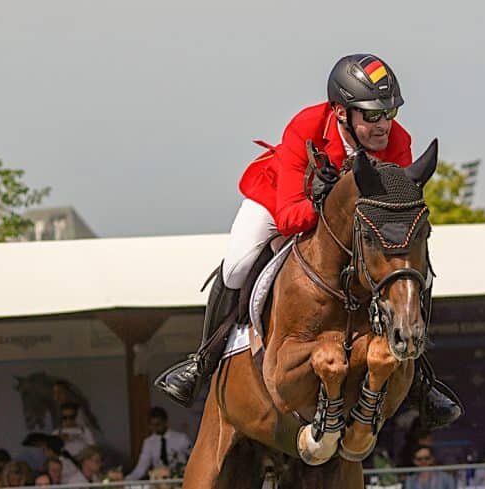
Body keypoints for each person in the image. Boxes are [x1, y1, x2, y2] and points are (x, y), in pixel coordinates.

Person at [153, 53, 462, 429]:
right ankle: (203, 360)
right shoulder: (307, 127)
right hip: (280, 198)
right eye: (372, 115)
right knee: (237, 265)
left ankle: (419, 376)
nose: (384, 125)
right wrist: (326, 199)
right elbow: (288, 217)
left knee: (414, 271)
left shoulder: (398, 142)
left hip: (346, 223)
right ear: (342, 112)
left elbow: (390, 213)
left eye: (389, 113)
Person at [126, 407, 191, 480]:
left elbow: (192, 460)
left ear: (165, 422)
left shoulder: (181, 439)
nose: (155, 428)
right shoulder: (149, 442)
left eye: (158, 424)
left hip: (180, 480)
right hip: (159, 482)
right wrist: (126, 480)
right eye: (151, 425)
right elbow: (141, 468)